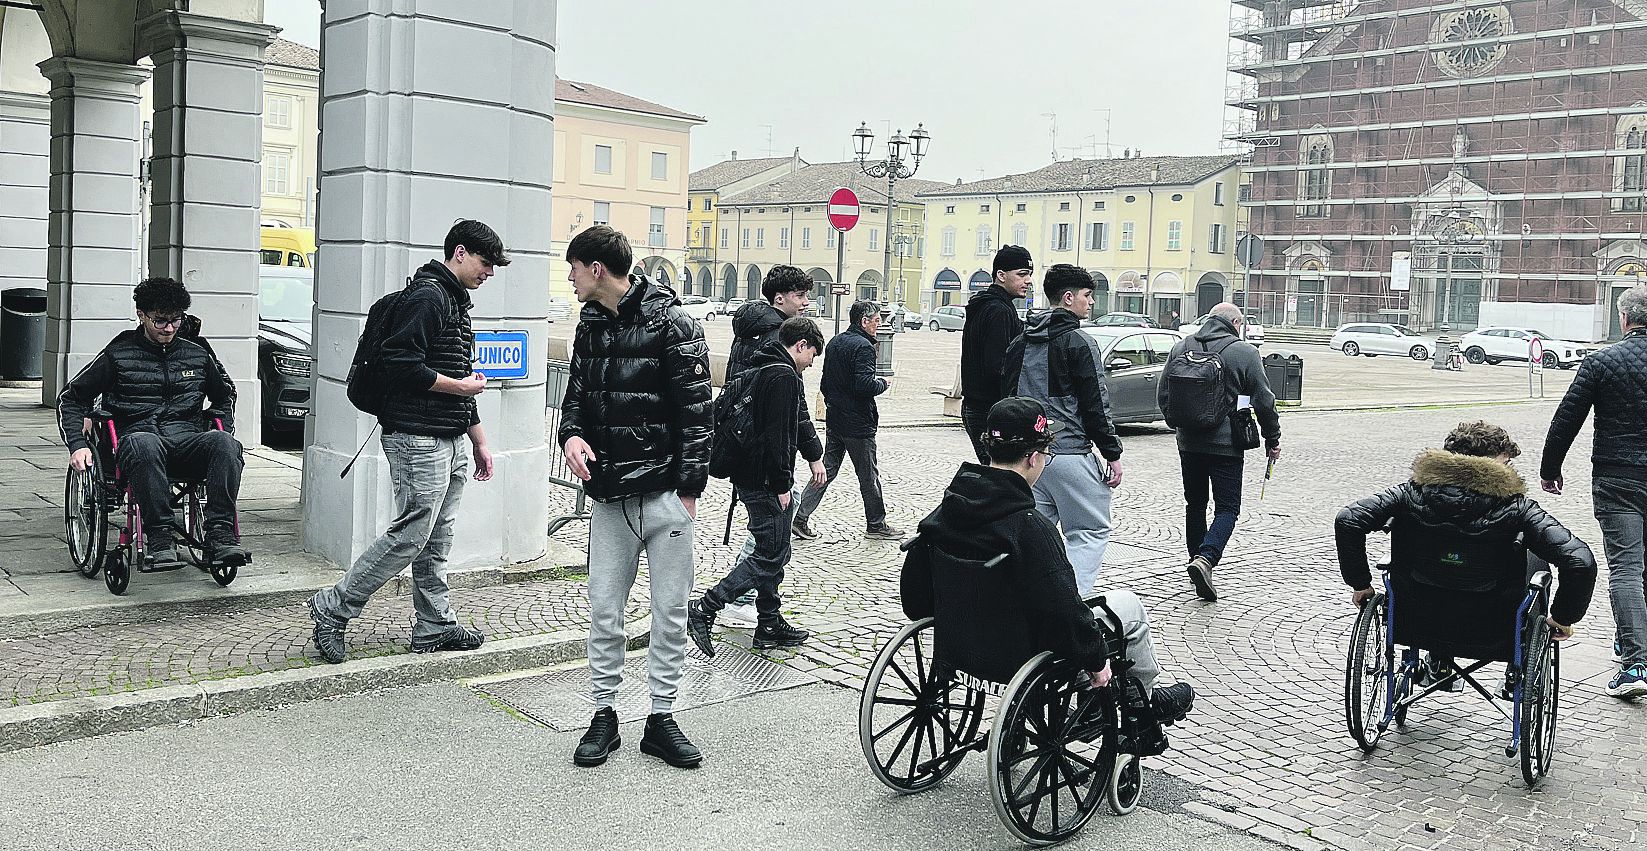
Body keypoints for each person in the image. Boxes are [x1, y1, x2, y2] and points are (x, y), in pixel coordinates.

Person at [900, 397, 1195, 725]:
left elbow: (915, 600)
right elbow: (1064, 609)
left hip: (959, 641)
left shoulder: (949, 509)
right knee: (1130, 609)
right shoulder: (1029, 527)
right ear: (1033, 457)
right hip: (1020, 647)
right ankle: (1144, 703)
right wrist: (1097, 664)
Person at [307, 220, 504, 663]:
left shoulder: (454, 302)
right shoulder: (429, 298)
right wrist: (460, 389)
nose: (489, 272)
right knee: (412, 535)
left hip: (448, 438)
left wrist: (479, 440)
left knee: (437, 537)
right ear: (459, 252)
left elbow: (457, 371)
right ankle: (333, 608)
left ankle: (434, 625)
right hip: (417, 438)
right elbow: (401, 366)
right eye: (485, 262)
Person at [557, 225, 713, 769]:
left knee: (669, 612)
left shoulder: (674, 324)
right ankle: (604, 714)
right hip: (608, 495)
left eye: (574, 267)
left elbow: (698, 411)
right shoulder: (590, 325)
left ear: (597, 268)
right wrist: (570, 435)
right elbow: (574, 397)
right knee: (605, 609)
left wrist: (688, 492)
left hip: (664, 494)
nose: (570, 278)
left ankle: (662, 717)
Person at [1337, 422, 1596, 691]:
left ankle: (1438, 658)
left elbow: (1348, 520)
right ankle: (1513, 674)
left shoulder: (1408, 495)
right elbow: (1580, 560)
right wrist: (1563, 617)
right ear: (1494, 464)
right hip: (1493, 626)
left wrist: (1360, 583)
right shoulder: (1518, 509)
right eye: (1506, 463)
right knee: (1536, 561)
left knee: (1443, 565)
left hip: (1416, 617)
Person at [58, 277, 248, 569]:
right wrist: (78, 445)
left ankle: (221, 535)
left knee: (226, 444)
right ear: (142, 315)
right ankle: (159, 537)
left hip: (186, 440)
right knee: (143, 441)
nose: (169, 328)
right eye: (160, 321)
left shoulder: (197, 354)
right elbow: (72, 398)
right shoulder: (118, 353)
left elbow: (225, 396)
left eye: (175, 320)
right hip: (137, 443)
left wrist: (224, 426)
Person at [687, 317, 825, 657]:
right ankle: (705, 607)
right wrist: (782, 484)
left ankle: (768, 623)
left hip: (751, 476)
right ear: (801, 345)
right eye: (812, 355)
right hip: (764, 480)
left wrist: (809, 456)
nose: (811, 363)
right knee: (770, 553)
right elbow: (779, 435)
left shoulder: (765, 367)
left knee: (774, 549)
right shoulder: (781, 376)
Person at [1540, 284, 1647, 697]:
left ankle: (1636, 664)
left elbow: (1567, 417)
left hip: (1618, 479)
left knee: (1625, 568)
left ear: (1624, 318)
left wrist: (1551, 469)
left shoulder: (1602, 361)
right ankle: (1633, 641)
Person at [1002, 264, 1123, 596]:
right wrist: (1112, 453)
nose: (1091, 304)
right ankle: (1070, 602)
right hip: (1069, 453)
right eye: (1087, 296)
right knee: (1090, 530)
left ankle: (1024, 598)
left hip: (1027, 458)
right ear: (1069, 298)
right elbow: (1095, 405)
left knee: (1033, 532)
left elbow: (1006, 399)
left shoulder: (1020, 341)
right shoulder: (1080, 343)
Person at [722, 266, 827, 625]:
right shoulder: (775, 338)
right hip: (758, 448)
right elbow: (788, 410)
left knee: (774, 523)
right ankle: (733, 598)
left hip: (744, 441)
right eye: (799, 296)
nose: (805, 303)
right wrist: (810, 456)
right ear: (779, 298)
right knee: (773, 526)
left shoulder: (753, 328)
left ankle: (769, 617)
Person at [1157, 302, 1281, 603]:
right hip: (1226, 445)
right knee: (1227, 508)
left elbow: (1163, 394)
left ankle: (1194, 558)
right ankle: (1206, 558)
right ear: (1236, 323)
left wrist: (1180, 427)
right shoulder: (1244, 352)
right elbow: (1264, 401)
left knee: (1195, 503)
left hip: (1188, 442)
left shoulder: (1182, 346)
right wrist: (1272, 437)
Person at [792, 299, 902, 542]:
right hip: (858, 423)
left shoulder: (835, 342)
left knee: (827, 470)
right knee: (868, 475)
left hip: (836, 418)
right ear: (864, 321)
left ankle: (799, 517)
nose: (879, 325)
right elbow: (864, 385)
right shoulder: (863, 347)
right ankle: (876, 523)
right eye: (876, 321)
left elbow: (825, 384)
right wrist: (882, 383)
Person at [959, 245, 1032, 463]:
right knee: (1001, 477)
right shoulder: (998, 310)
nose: (1028, 280)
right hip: (989, 408)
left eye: (1029, 274)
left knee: (999, 476)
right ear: (1001, 275)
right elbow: (997, 365)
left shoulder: (994, 306)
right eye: (1021, 274)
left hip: (981, 406)